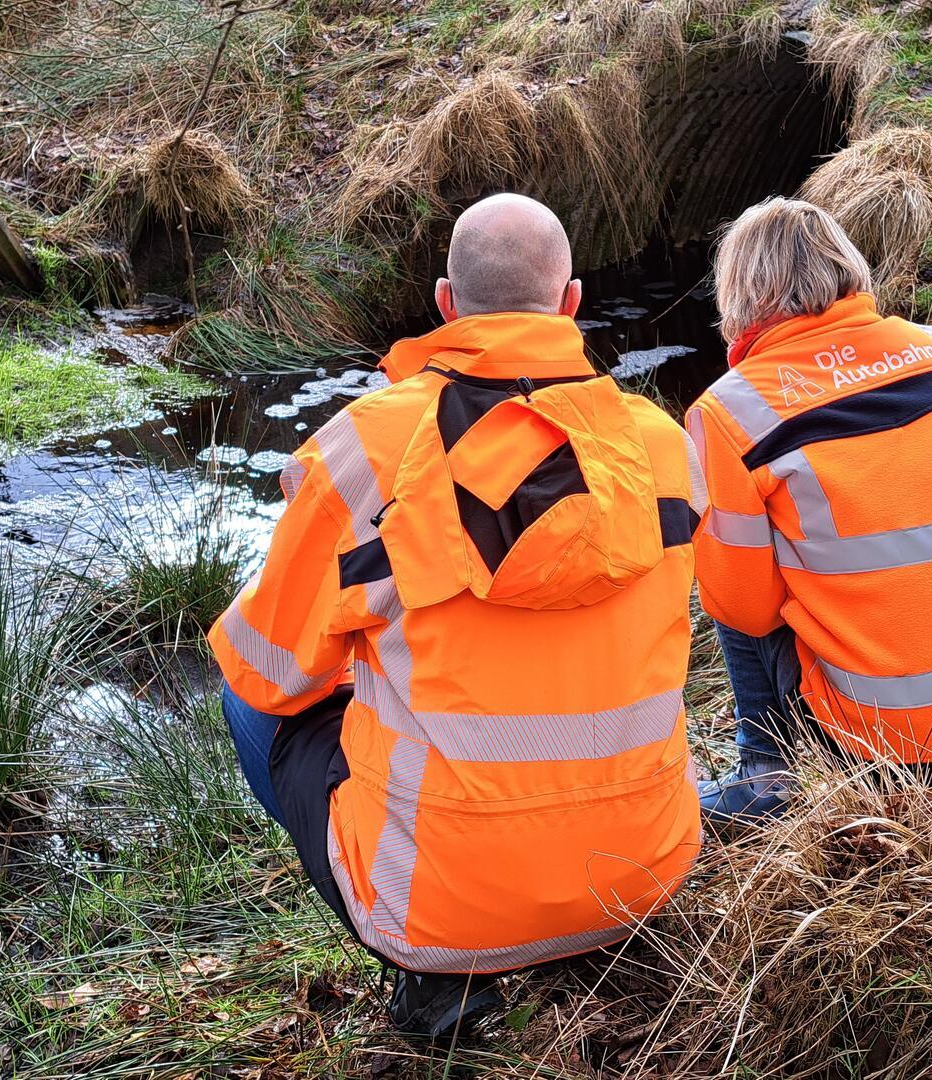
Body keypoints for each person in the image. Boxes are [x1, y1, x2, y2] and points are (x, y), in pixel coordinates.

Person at [208, 193, 704, 1038]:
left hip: (440, 912)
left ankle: (436, 981)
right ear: (572, 302)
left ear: (444, 303)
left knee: (246, 700)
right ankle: (565, 929)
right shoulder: (663, 446)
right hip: (640, 876)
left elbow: (271, 670)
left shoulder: (365, 446)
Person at [687, 197, 932, 823]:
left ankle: (766, 771)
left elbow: (746, 610)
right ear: (848, 267)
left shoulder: (727, 413)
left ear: (739, 294)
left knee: (729, 580)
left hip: (888, 742)